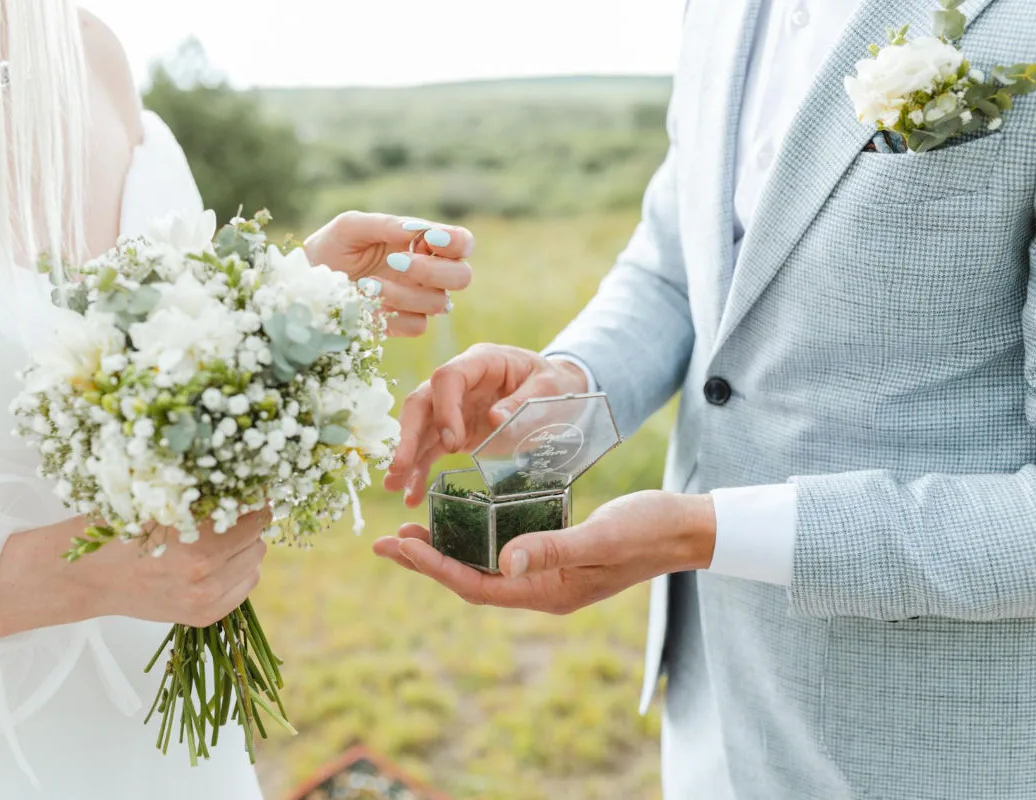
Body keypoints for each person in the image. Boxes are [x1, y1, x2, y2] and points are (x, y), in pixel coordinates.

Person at [375, 0, 1036, 798]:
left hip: (932, 738)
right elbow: (674, 267)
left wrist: (703, 533)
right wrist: (566, 386)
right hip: (711, 699)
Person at [0, 3, 472, 799]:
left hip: (165, 742)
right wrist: (65, 578)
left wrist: (281, 313)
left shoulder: (92, 53)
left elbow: (131, 348)